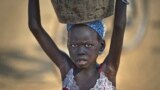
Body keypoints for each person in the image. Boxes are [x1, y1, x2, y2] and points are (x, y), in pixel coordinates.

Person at [28, 0, 128, 90]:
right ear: (67, 45)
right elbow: (35, 26)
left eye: (88, 45)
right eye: (74, 45)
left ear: (101, 46)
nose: (80, 51)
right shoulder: (67, 70)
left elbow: (119, 26)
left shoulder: (108, 72)